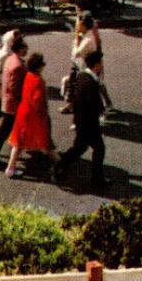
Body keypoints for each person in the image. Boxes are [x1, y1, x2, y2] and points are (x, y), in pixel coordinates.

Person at [53, 50, 107, 190]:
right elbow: (92, 105)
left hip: (81, 122)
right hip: (89, 124)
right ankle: (97, 180)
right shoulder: (91, 83)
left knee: (79, 148)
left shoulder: (82, 77)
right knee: (99, 149)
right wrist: (99, 116)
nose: (102, 66)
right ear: (96, 65)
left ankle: (60, 166)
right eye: (100, 63)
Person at [4, 53, 53, 180]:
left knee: (19, 141)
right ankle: (10, 167)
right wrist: (43, 115)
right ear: (39, 67)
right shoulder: (38, 80)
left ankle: (11, 166)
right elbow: (38, 102)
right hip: (31, 114)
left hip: (23, 110)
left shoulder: (27, 75)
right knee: (23, 142)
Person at [0, 33, 30, 168]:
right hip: (13, 104)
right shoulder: (19, 65)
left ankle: (1, 154)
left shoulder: (10, 59)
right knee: (4, 131)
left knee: (4, 131)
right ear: (20, 48)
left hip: (5, 100)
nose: (27, 49)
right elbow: (15, 87)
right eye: (25, 47)